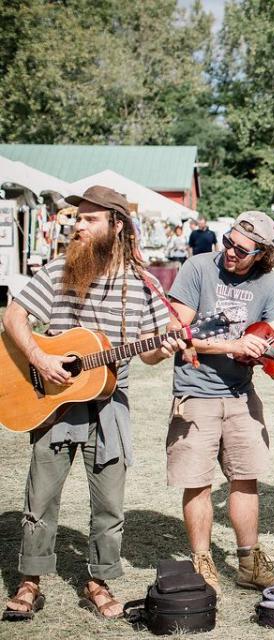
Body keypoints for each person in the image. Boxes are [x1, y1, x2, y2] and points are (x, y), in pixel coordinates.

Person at [2, 186, 183, 622]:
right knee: (41, 499)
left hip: (110, 403)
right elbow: (13, 316)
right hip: (54, 401)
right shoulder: (60, 269)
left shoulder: (142, 284)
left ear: (116, 225)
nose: (78, 225)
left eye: (89, 219)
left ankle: (98, 579)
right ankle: (31, 579)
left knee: (109, 504)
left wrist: (166, 346)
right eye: (77, 218)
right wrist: (42, 359)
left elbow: (151, 351)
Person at [165, 210, 274, 595]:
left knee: (245, 477)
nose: (231, 253)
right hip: (196, 391)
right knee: (198, 481)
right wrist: (232, 345)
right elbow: (178, 332)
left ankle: (248, 561)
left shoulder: (268, 282)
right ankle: (202, 559)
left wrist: (271, 352)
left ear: (261, 254)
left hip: (241, 393)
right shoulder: (197, 267)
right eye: (228, 241)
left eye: (242, 250)